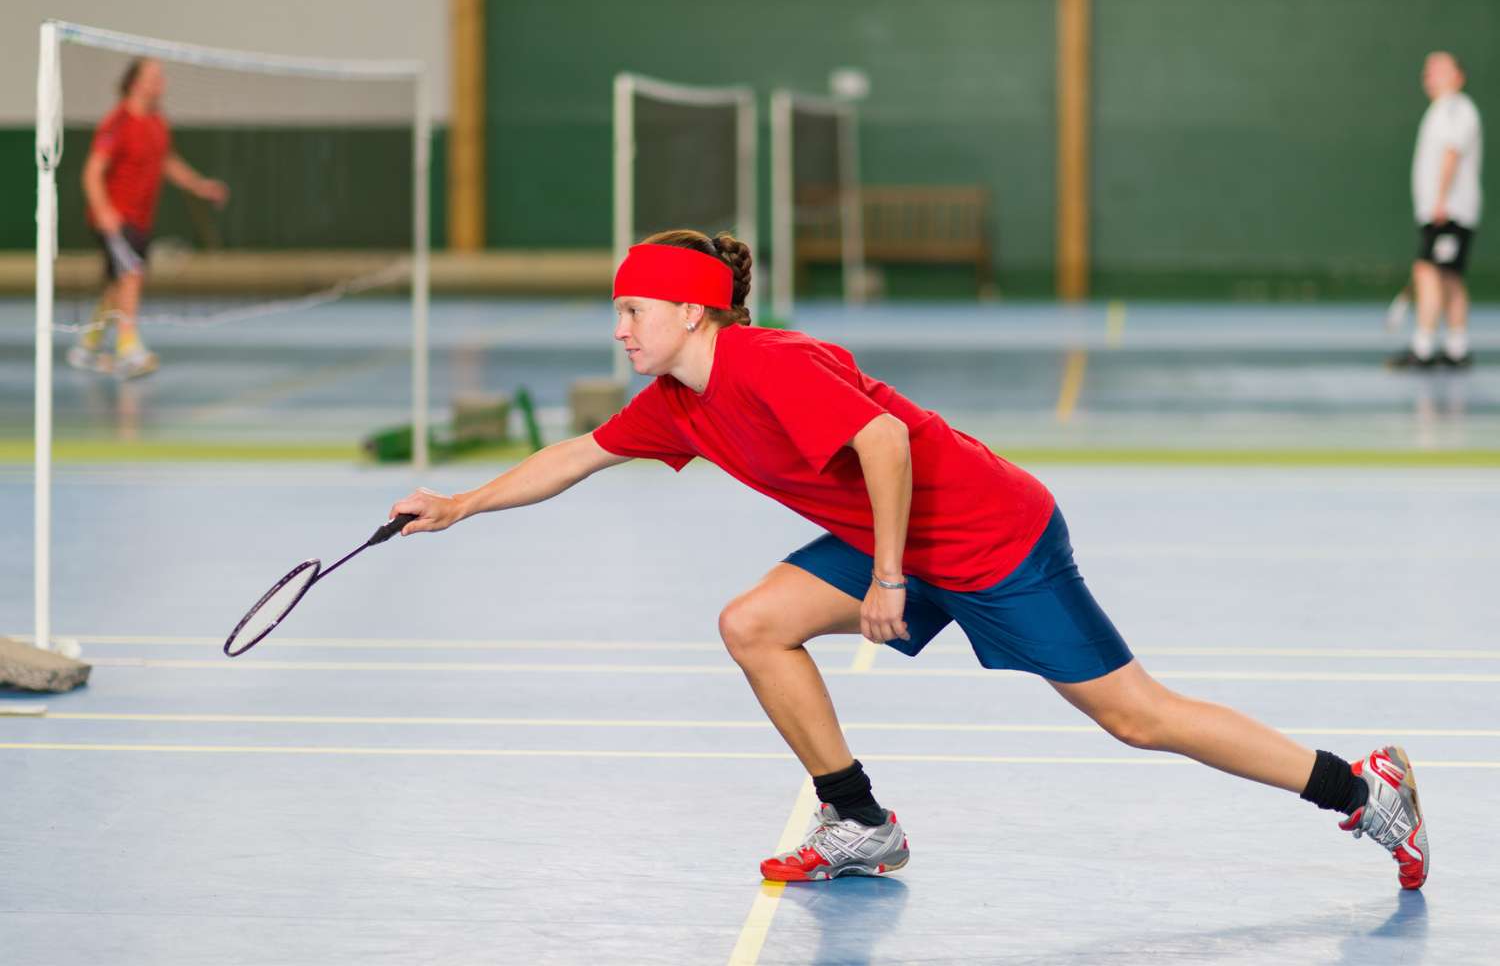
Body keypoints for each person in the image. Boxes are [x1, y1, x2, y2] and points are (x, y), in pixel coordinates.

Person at [390, 230, 1429, 889]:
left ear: (693, 311)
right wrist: (459, 503)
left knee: (1136, 717)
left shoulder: (770, 363)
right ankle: (858, 821)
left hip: (987, 535)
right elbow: (578, 453)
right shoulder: (678, 405)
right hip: (889, 538)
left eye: (633, 310)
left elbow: (883, 443)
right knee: (753, 624)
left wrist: (889, 576)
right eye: (617, 311)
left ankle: (1360, 788)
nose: (619, 328)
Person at [69, 58, 229, 379]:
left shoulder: (157, 121)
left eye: (162, 76)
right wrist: (104, 211)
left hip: (141, 218)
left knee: (119, 285)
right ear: (134, 82)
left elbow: (167, 160)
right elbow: (92, 172)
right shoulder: (117, 123)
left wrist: (198, 185)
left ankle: (87, 347)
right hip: (115, 218)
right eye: (153, 76)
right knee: (131, 275)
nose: (161, 82)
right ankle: (129, 350)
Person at [1390, 51, 1483, 369]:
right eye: (1428, 70)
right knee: (1450, 277)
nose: (1430, 76)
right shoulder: (1441, 110)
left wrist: (1441, 200)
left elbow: (1452, 153)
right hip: (1444, 210)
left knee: (1429, 273)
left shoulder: (1456, 108)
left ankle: (1424, 348)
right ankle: (1457, 349)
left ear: (1458, 76)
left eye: (1439, 70)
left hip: (1449, 211)